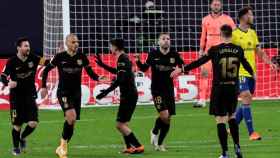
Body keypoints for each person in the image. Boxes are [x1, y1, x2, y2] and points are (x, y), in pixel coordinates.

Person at [172, 24, 253, 158]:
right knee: (232, 117)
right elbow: (246, 64)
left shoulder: (215, 49)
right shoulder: (238, 49)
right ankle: (237, 148)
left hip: (219, 88)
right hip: (233, 88)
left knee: (220, 120)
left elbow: (200, 62)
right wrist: (253, 74)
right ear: (231, 35)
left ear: (221, 35)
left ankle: (225, 152)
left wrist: (182, 69)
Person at [41, 34, 105, 158]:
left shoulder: (82, 57)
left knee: (72, 122)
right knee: (71, 117)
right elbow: (46, 70)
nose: (76, 44)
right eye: (73, 42)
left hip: (76, 93)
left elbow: (90, 72)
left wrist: (98, 78)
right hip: (63, 92)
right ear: (67, 43)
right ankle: (62, 148)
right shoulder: (60, 57)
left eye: (77, 42)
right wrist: (43, 86)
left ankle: (61, 147)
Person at [232, 7, 278, 140]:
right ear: (244, 17)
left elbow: (259, 52)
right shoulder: (234, 34)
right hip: (239, 72)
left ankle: (233, 126)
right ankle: (252, 133)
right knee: (246, 96)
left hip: (252, 72)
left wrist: (270, 63)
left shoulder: (252, 32)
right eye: (250, 15)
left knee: (247, 100)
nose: (253, 17)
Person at [135, 32, 184, 151]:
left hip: (169, 90)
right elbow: (144, 68)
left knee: (169, 117)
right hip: (157, 90)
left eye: (168, 38)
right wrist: (137, 61)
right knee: (164, 115)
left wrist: (179, 69)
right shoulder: (153, 54)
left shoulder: (174, 54)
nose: (166, 40)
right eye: (163, 39)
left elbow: (183, 66)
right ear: (159, 42)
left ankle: (159, 141)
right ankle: (156, 135)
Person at [0, 37, 49, 155]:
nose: (28, 48)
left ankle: (22, 137)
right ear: (19, 48)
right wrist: (8, 83)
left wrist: (57, 57)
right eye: (25, 46)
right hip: (16, 97)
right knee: (17, 125)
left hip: (30, 95)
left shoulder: (34, 57)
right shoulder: (11, 61)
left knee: (33, 123)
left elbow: (47, 63)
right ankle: (16, 147)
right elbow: (2, 76)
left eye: (28, 45)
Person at [95, 39, 144, 154]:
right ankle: (129, 147)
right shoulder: (123, 58)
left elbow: (120, 79)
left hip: (128, 95)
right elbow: (118, 72)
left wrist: (106, 92)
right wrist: (103, 65)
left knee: (119, 125)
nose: (110, 48)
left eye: (111, 46)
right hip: (129, 94)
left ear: (116, 47)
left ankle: (138, 146)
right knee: (123, 124)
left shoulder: (122, 59)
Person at [195, 0, 235, 107]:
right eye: (214, 4)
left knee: (223, 76)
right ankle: (202, 99)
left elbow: (234, 34)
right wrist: (201, 50)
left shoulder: (228, 19)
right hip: (208, 51)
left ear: (221, 6)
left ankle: (225, 99)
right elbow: (203, 36)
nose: (216, 6)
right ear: (211, 6)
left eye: (218, 4)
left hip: (223, 50)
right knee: (204, 74)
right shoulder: (205, 19)